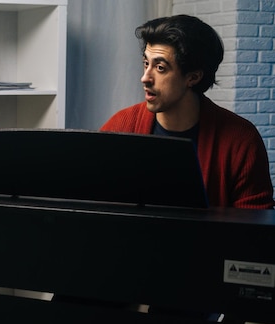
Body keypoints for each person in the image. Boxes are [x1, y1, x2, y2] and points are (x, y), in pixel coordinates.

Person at [101, 14, 274, 209]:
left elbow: (257, 227)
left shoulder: (241, 140)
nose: (145, 77)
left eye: (160, 67)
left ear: (193, 77)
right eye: (145, 63)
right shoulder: (121, 125)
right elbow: (93, 198)